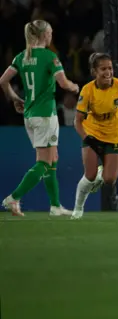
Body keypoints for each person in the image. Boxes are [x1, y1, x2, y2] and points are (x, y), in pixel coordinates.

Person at [0, 20, 78, 216]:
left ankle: (55, 206)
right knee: (44, 163)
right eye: (50, 33)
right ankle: (13, 198)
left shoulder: (21, 57)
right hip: (45, 115)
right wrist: (75, 87)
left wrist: (15, 99)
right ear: (44, 35)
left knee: (52, 159)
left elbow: (3, 80)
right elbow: (63, 83)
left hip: (30, 115)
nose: (51, 36)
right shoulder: (50, 57)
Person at [71, 53, 118, 219]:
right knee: (89, 176)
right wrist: (86, 138)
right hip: (93, 134)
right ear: (94, 71)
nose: (108, 72)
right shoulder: (88, 90)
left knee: (110, 179)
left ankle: (102, 173)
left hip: (114, 134)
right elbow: (78, 121)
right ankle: (78, 208)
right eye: (103, 69)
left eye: (110, 68)